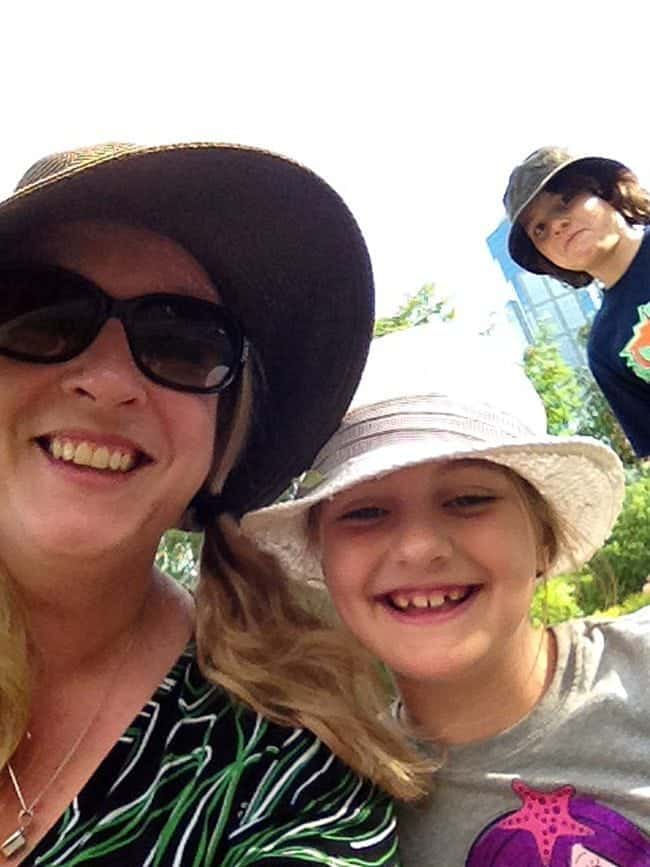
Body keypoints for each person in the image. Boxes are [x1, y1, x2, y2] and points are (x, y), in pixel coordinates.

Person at [0, 141, 415, 865]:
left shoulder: (289, 771)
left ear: (224, 433)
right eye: (42, 317)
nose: (106, 379)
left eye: (182, 342)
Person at [243, 323, 650, 866]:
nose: (417, 547)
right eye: (365, 512)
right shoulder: (327, 817)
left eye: (468, 499)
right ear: (324, 560)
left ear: (544, 539)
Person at [503, 145, 650, 458]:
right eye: (539, 230)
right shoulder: (604, 347)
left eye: (565, 201)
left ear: (606, 191)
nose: (557, 225)